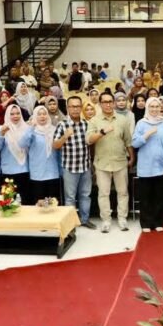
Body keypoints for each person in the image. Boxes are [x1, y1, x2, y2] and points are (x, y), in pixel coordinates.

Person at [87, 91, 134, 233]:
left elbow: (128, 141)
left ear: (113, 103)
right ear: (100, 104)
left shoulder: (122, 120)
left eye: (110, 101)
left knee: (123, 192)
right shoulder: (94, 121)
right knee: (103, 193)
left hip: (120, 161)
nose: (107, 104)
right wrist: (102, 132)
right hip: (102, 163)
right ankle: (106, 220)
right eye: (104, 102)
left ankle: (122, 219)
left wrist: (132, 157)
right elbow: (88, 140)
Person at [132, 97, 163, 232]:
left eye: (157, 106)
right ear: (147, 108)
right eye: (152, 107)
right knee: (145, 197)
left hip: (161, 167)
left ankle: (157, 222)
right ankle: (145, 223)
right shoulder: (141, 123)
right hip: (145, 167)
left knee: (159, 197)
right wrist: (147, 134)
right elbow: (134, 143)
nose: (155, 109)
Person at [55, 96, 94, 229]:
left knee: (85, 195)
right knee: (70, 198)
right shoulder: (62, 124)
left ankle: (85, 219)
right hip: (69, 167)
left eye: (78, 106)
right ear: (67, 108)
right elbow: (55, 145)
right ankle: (70, 223)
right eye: (72, 106)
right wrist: (65, 136)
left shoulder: (86, 124)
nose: (75, 109)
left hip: (85, 166)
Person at [0, 104, 33, 204]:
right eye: (12, 114)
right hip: (8, 171)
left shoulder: (28, 128)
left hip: (25, 170)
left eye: (18, 113)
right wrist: (1, 134)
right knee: (9, 203)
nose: (15, 116)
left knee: (26, 202)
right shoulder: (2, 129)